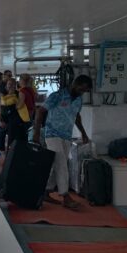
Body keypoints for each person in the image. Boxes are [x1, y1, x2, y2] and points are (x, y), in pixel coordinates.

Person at [32, 75, 92, 210]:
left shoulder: (78, 100)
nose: (82, 92)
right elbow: (40, 112)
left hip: (67, 136)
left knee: (57, 164)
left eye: (84, 91)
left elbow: (76, 116)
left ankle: (46, 191)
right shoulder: (57, 96)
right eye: (81, 89)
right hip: (52, 134)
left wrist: (83, 132)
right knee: (61, 163)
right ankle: (65, 196)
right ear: (75, 84)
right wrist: (36, 133)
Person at [0, 70, 12, 151]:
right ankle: (0, 152)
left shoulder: (10, 84)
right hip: (2, 112)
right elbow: (0, 100)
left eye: (11, 75)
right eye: (8, 75)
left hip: (9, 112)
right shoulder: (0, 86)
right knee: (1, 134)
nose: (10, 76)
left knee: (9, 134)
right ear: (4, 76)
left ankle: (9, 151)